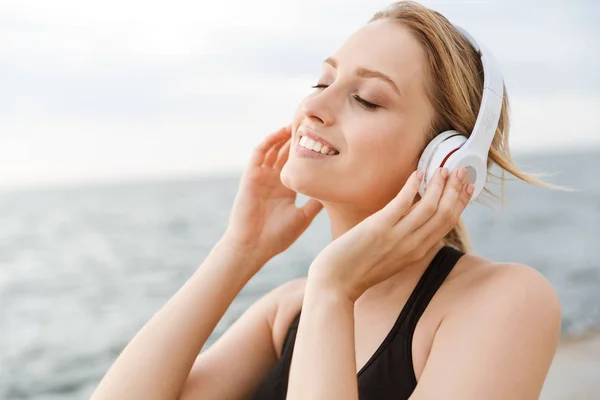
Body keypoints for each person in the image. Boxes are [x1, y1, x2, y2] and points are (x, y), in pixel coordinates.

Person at [90, 1, 562, 399]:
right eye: (322, 81)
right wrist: (240, 250)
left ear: (448, 159)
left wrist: (334, 292)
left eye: (368, 99)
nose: (313, 107)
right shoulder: (289, 310)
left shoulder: (505, 301)